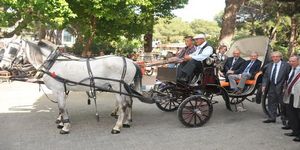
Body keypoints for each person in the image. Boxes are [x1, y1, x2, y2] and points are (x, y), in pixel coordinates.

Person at [262, 51, 291, 124]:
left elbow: (289, 77)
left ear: (280, 57)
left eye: (277, 56)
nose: (275, 58)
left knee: (283, 103)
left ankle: (284, 119)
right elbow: (265, 76)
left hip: (282, 87)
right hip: (271, 86)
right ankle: (272, 117)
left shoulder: (286, 66)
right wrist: (264, 85)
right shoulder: (269, 65)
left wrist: (287, 86)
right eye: (273, 57)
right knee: (271, 102)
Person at [282, 55, 300, 142]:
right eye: (290, 61)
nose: (291, 63)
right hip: (290, 94)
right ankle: (295, 131)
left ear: (298, 61)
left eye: (293, 61)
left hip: (298, 96)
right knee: (291, 114)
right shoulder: (291, 69)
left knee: (298, 115)